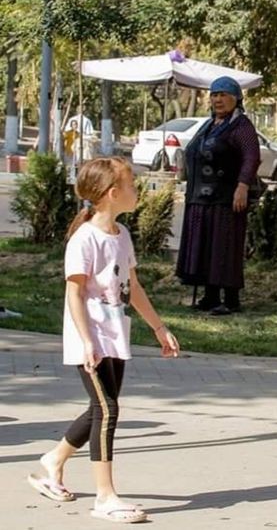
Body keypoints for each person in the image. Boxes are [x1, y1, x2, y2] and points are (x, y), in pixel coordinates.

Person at [27, 157, 180, 524]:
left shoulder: (121, 236)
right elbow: (74, 295)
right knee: (108, 410)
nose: (136, 192)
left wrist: (159, 328)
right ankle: (105, 497)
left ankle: (53, 461)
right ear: (114, 194)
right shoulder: (84, 239)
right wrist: (86, 342)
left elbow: (133, 288)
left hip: (115, 335)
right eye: (132, 186)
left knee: (101, 407)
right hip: (91, 339)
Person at [176, 76, 261, 315]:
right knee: (206, 247)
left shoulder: (241, 125)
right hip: (202, 197)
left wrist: (242, 186)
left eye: (223, 94)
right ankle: (210, 296)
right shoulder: (209, 124)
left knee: (224, 247)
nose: (218, 99)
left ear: (236, 98)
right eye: (214, 95)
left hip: (227, 198)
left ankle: (231, 300)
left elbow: (251, 156)